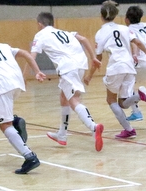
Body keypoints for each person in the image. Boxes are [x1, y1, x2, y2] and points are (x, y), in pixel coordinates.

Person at [0, 20, 45, 175]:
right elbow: (25, 53)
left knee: (5, 125)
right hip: (17, 82)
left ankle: (29, 157)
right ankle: (16, 121)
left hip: (3, 85)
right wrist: (37, 71)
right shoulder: (3, 45)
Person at [30, 12, 104, 151]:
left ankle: (93, 127)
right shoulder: (64, 32)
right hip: (81, 64)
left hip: (68, 67)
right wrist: (93, 57)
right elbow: (84, 39)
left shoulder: (40, 35)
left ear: (39, 24)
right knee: (64, 97)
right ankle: (62, 135)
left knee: (73, 100)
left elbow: (31, 56)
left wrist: (32, 73)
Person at [85, 0, 146, 140]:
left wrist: (89, 76)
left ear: (101, 15)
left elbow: (97, 59)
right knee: (123, 102)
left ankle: (129, 130)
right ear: (116, 15)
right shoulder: (124, 28)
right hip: (129, 66)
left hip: (116, 66)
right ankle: (139, 96)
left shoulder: (100, 33)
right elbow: (138, 42)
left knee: (111, 100)